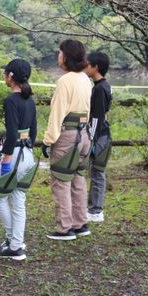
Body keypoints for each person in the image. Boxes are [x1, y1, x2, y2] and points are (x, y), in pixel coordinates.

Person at [42, 40, 93, 241]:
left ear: (67, 56)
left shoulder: (65, 81)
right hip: (84, 134)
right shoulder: (84, 79)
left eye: (60, 53)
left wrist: (48, 140)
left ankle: (65, 227)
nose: (58, 56)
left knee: (61, 182)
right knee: (78, 179)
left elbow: (57, 114)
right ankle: (80, 223)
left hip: (67, 136)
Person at [0, 59, 37, 260]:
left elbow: (11, 133)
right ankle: (16, 242)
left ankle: (13, 241)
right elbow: (34, 132)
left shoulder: (11, 101)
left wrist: (5, 159)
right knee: (18, 199)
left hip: (14, 154)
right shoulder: (30, 100)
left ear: (11, 76)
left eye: (5, 73)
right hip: (27, 154)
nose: (4, 76)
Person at [85, 52, 112, 223]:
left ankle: (96, 210)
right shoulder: (103, 85)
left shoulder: (100, 88)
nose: (85, 67)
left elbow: (97, 117)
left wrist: (91, 139)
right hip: (102, 134)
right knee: (96, 172)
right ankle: (92, 208)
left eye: (88, 64)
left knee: (97, 172)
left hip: (100, 136)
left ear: (95, 67)